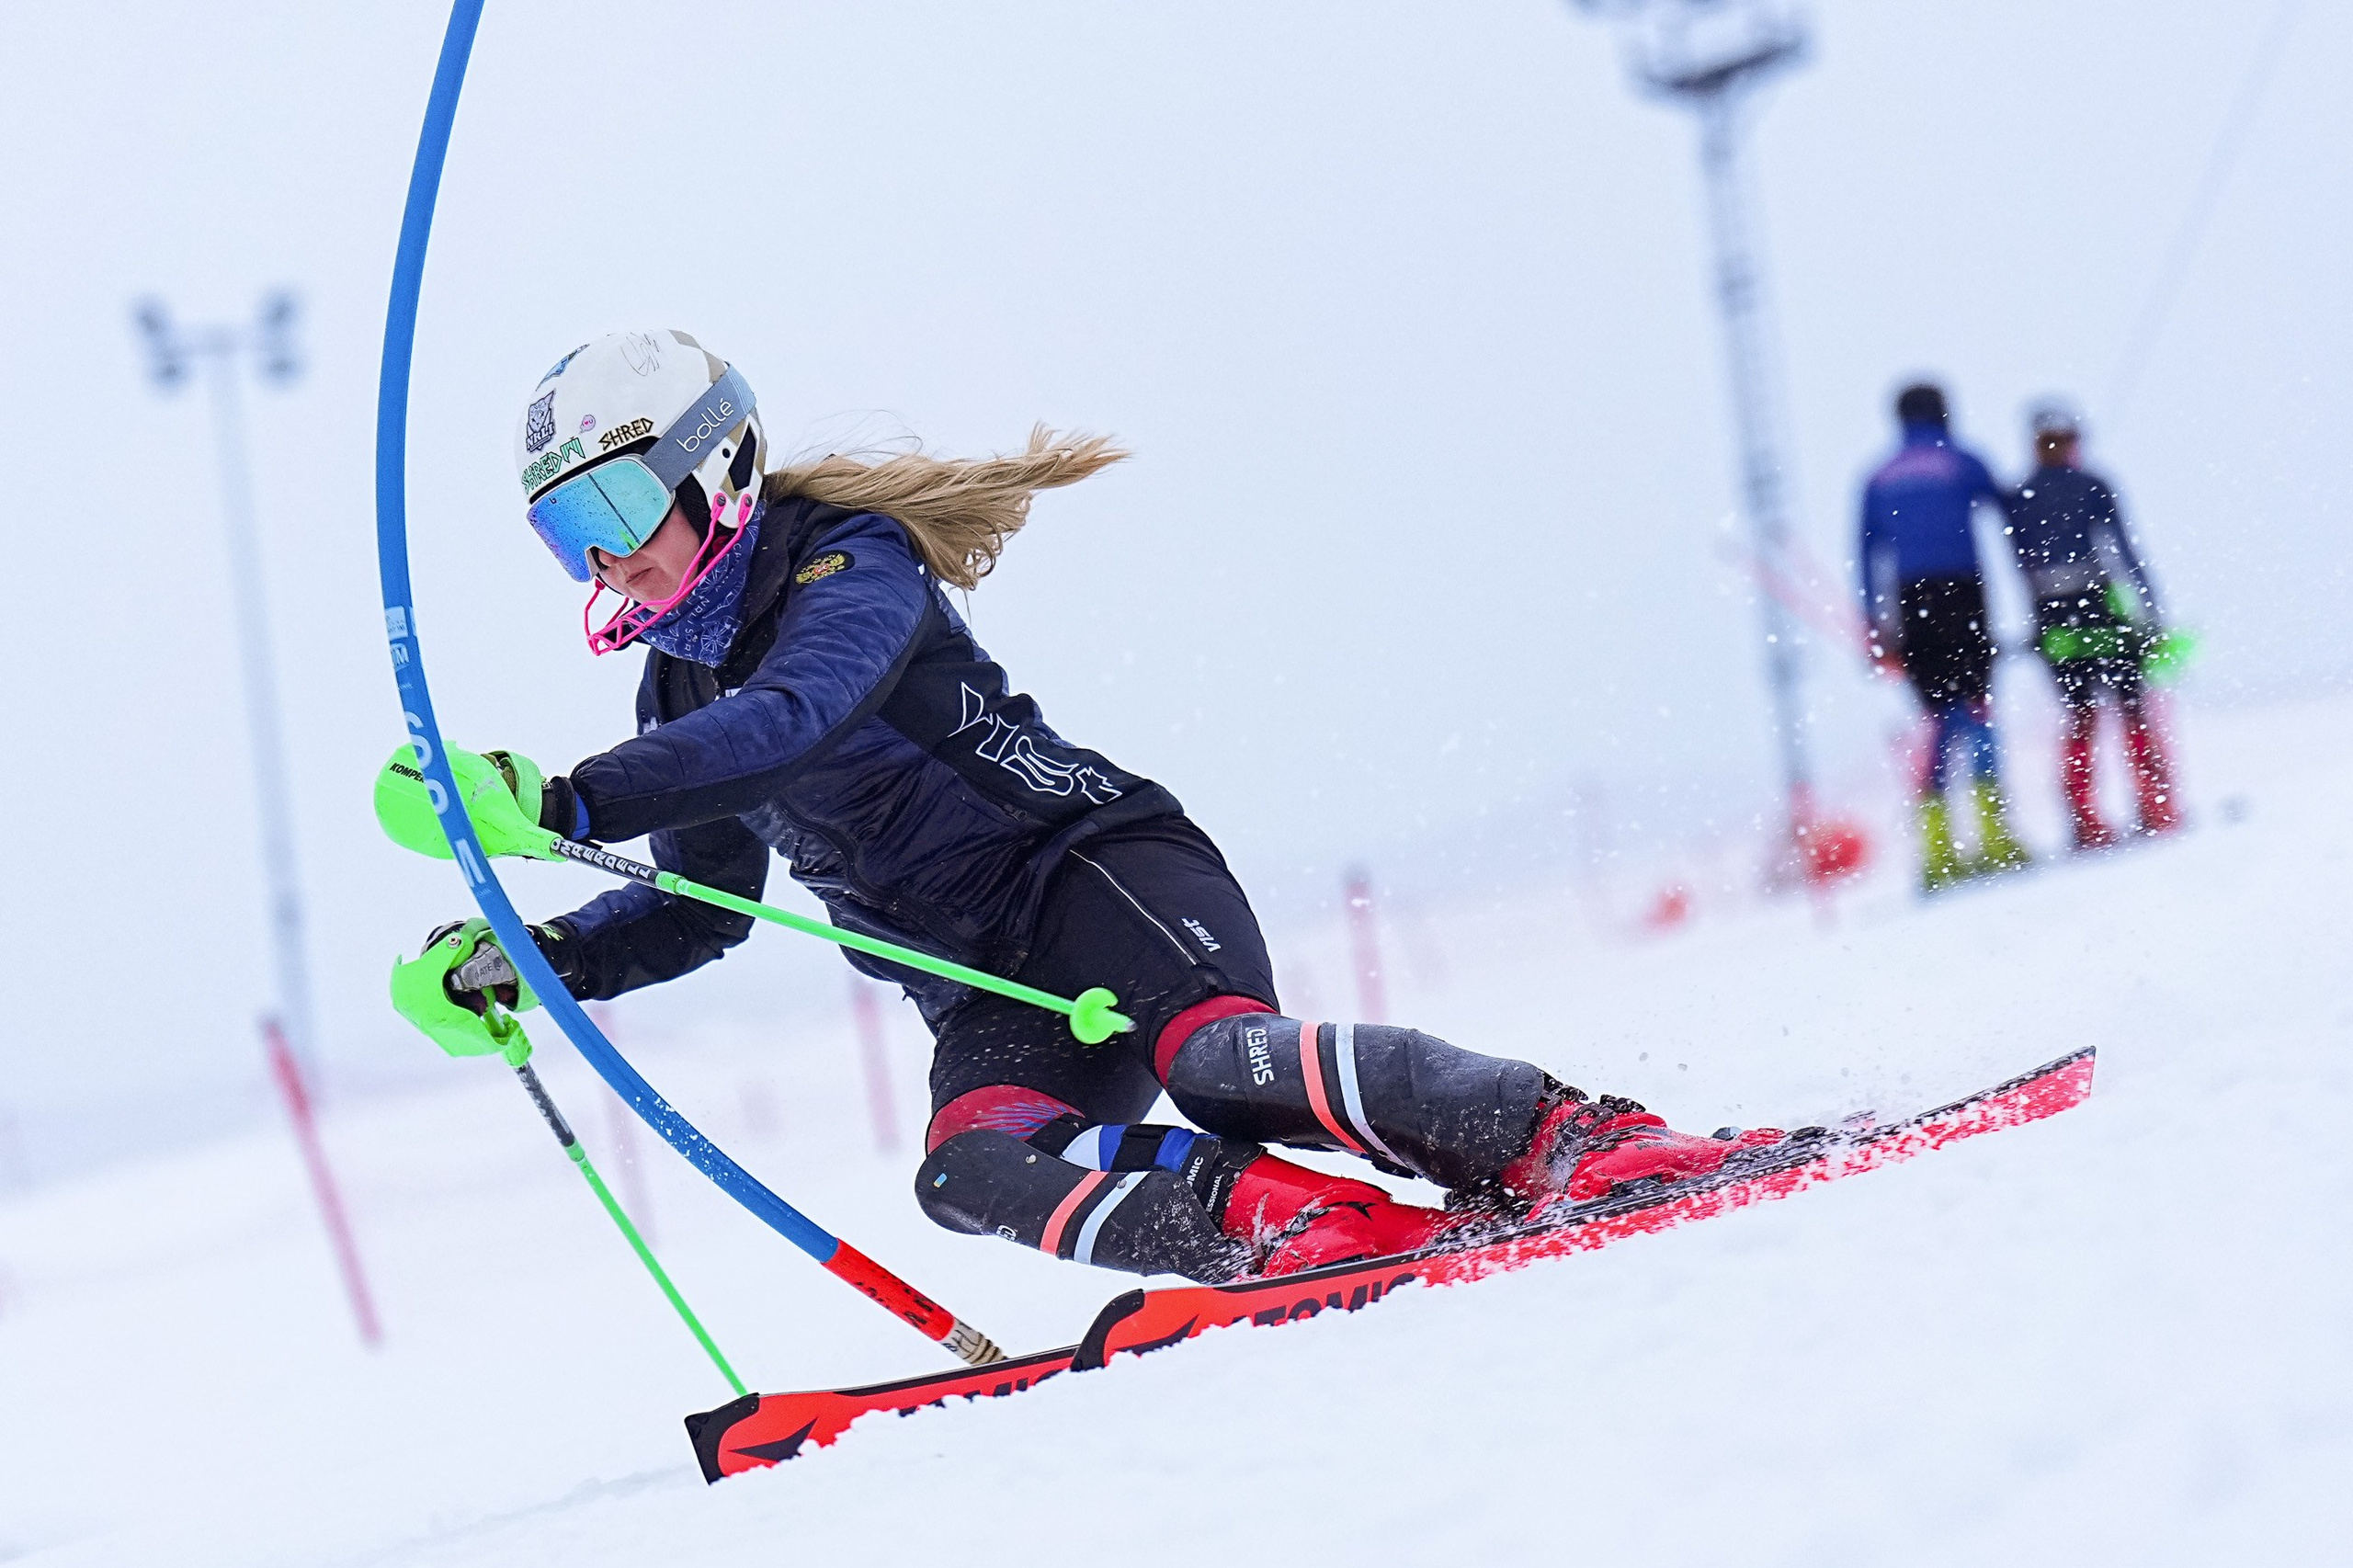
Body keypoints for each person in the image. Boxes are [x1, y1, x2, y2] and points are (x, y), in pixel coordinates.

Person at [393, 329, 1798, 1285]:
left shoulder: (850, 563)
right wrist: (538, 956)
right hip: (983, 985)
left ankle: (1565, 1137)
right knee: (967, 1166)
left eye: (624, 502)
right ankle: (1287, 1227)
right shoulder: (675, 692)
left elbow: (798, 717)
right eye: (568, 531)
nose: (611, 555)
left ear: (721, 466)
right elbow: (705, 906)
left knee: (1219, 1063)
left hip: (1098, 875)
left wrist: (571, 794)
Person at [1858, 381, 2031, 892]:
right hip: (1964, 595)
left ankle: (1937, 854)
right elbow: (2011, 514)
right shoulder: (1961, 460)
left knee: (1934, 721)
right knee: (1977, 709)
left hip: (1911, 604)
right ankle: (1996, 838)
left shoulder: (1878, 477)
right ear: (1944, 413)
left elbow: (1867, 553)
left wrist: (1876, 627)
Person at [2004, 402, 2180, 848]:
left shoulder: (2019, 495)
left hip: (2054, 614)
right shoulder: (2093, 485)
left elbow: (2020, 565)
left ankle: (2089, 820)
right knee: (2127, 705)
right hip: (2098, 604)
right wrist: (2150, 611)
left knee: (2084, 713)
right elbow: (2125, 552)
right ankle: (2154, 806)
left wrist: (2039, 624)